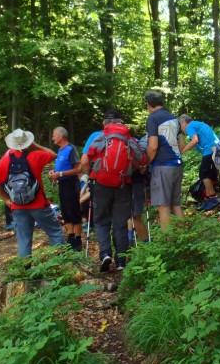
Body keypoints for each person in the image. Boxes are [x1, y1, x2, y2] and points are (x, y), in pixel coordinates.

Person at [83, 109, 145, 271]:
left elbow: (85, 159)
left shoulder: (99, 136)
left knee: (101, 221)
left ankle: (105, 254)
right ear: (121, 122)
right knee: (120, 222)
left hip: (101, 184)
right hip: (123, 185)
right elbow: (142, 159)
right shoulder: (128, 138)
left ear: (104, 123)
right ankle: (121, 261)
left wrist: (92, 174)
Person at [0, 129, 65, 257]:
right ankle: (60, 264)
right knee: (55, 232)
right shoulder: (35, 156)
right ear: (27, 143)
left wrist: (7, 201)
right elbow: (53, 154)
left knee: (24, 240)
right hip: (39, 204)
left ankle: (25, 271)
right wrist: (34, 145)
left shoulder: (6, 160)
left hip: (17, 207)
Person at [145, 91, 185, 230]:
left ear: (148, 105)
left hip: (162, 165)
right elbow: (182, 145)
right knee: (176, 204)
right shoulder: (174, 118)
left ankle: (167, 243)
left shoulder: (153, 118)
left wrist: (146, 163)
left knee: (163, 205)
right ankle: (183, 239)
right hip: (177, 164)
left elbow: (153, 146)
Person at [49, 127, 83, 251]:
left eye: (54, 135)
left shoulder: (71, 149)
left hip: (71, 184)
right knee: (65, 211)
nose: (53, 138)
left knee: (73, 211)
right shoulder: (60, 150)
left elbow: (78, 168)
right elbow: (61, 168)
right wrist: (54, 172)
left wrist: (61, 174)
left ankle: (78, 240)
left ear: (61, 136)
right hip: (62, 185)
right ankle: (70, 237)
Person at [179, 114, 220, 211]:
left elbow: (195, 140)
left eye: (180, 125)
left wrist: (182, 151)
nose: (181, 128)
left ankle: (213, 198)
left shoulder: (190, 126)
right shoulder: (198, 124)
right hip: (216, 149)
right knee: (210, 175)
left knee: (203, 174)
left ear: (183, 122)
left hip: (210, 150)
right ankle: (208, 199)